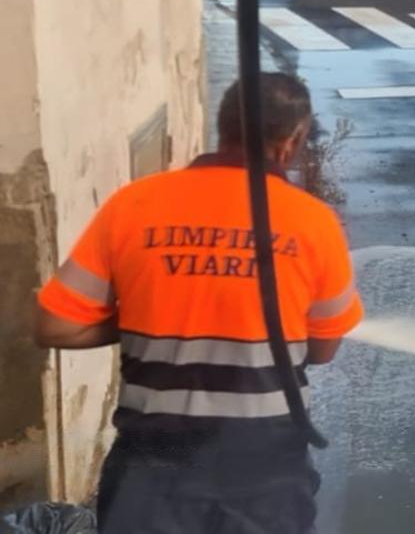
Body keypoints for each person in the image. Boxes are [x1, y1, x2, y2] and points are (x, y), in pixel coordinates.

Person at [34, 73, 363, 534]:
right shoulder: (314, 223)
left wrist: (142, 313)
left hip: (152, 467)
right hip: (264, 471)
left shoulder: (134, 204)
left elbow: (54, 327)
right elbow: (323, 349)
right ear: (291, 141)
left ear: (223, 128)